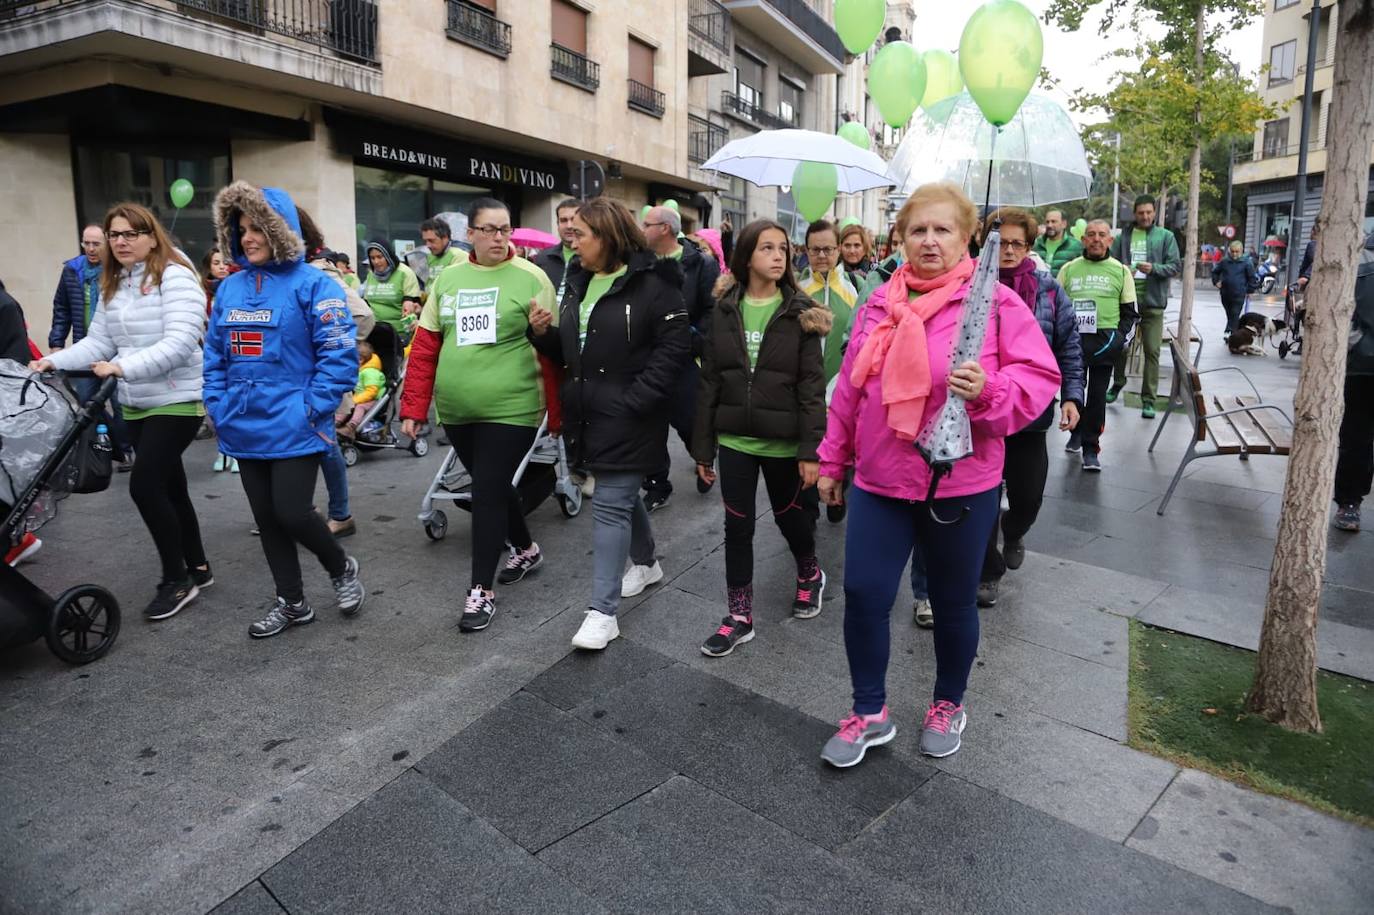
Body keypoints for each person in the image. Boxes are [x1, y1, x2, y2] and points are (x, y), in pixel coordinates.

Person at [816, 182, 1059, 767]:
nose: (929, 240)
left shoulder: (996, 304)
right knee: (864, 595)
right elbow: (851, 390)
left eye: (942, 229)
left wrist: (990, 391)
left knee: (953, 603)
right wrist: (832, 458)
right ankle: (869, 711)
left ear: (968, 236)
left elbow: (1039, 384)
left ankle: (948, 702)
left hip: (961, 484)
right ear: (899, 237)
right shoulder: (881, 304)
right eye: (917, 229)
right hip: (880, 479)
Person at [34, 203, 212, 620]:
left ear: (152, 237)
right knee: (171, 487)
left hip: (177, 398)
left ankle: (177, 580)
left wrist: (122, 366)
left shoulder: (175, 275)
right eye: (115, 235)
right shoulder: (114, 283)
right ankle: (198, 567)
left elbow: (183, 340)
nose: (121, 241)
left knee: (145, 486)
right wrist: (51, 360)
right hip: (135, 403)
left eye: (131, 233)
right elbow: (98, 341)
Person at [528, 197, 689, 651]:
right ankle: (647, 562)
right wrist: (542, 334)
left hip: (632, 415)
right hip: (587, 412)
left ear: (608, 235)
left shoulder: (657, 283)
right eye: (570, 232)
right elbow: (573, 353)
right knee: (615, 493)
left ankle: (603, 612)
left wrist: (635, 400)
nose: (570, 241)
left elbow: (673, 351)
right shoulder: (577, 281)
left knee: (610, 502)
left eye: (579, 233)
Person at [205, 181, 365, 638]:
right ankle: (292, 602)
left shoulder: (317, 284)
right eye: (241, 228)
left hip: (296, 424)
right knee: (267, 520)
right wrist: (217, 404)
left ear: (280, 230)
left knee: (292, 512)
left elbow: (338, 357)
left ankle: (340, 567)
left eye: (258, 227)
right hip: (243, 424)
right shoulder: (230, 289)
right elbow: (215, 355)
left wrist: (309, 409)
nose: (248, 237)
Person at [400, 198, 556, 632]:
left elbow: (555, 353)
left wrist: (541, 333)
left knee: (486, 490)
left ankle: (480, 592)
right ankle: (525, 550)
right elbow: (427, 346)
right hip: (457, 410)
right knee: (494, 484)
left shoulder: (532, 278)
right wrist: (413, 407)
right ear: (470, 233)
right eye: (488, 229)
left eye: (505, 229)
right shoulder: (448, 279)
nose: (498, 238)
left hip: (513, 407)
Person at [692, 219, 830, 657]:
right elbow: (710, 381)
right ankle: (739, 616)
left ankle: (809, 573)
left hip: (785, 443)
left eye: (783, 249)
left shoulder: (800, 312)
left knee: (792, 520)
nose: (777, 256)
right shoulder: (725, 309)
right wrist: (703, 448)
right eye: (767, 248)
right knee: (738, 527)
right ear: (746, 255)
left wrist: (811, 451)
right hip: (736, 441)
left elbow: (812, 388)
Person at [976, 208, 1084, 607]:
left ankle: (1015, 529)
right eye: (999, 242)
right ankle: (988, 572)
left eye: (1015, 243)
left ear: (1029, 246)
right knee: (981, 498)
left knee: (1028, 498)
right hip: (982, 415)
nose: (1006, 250)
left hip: (1029, 415)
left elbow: (1068, 346)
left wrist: (1073, 396)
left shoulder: (1049, 289)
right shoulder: (969, 284)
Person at [640, 204, 721, 508]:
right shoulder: (641, 263)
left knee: (688, 421)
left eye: (646, 224)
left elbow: (713, 311)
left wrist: (689, 337)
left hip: (684, 357)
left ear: (664, 228)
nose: (641, 229)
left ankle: (703, 455)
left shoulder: (700, 263)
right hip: (647, 359)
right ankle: (657, 484)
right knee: (650, 424)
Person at [1059, 220, 1138, 471]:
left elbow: (1131, 315)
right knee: (1073, 392)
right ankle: (1076, 432)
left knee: (1096, 398)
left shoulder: (1121, 271)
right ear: (1083, 240)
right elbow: (1055, 307)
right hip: (1073, 343)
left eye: (1102, 235)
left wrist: (1118, 341)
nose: (1096, 239)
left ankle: (1091, 448)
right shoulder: (1069, 269)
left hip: (1105, 344)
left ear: (1109, 240)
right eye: (1091, 235)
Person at [1108, 195, 1180, 418]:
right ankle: (1117, 383)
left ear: (1155, 212)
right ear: (1135, 213)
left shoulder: (1165, 236)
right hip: (1127, 303)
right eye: (1141, 213)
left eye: (1149, 212)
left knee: (1152, 351)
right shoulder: (1123, 237)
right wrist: (1122, 269)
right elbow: (1110, 263)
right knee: (1121, 347)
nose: (1145, 216)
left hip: (1153, 305)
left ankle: (1148, 399)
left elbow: (1175, 266)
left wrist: (1155, 268)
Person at [1333, 230, 1374, 532]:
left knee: (1356, 437)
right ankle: (1349, 501)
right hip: (1362, 362)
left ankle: (1349, 503)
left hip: (1360, 364)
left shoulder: (1357, 259)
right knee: (1357, 437)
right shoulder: (1362, 262)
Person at [798, 220, 859, 389]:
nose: (822, 256)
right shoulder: (796, 287)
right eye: (815, 250)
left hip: (843, 390)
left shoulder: (857, 286)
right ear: (807, 251)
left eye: (828, 249)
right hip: (803, 392)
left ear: (838, 249)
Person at [360, 241, 421, 334]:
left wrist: (410, 304)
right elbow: (366, 302)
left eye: (380, 257)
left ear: (388, 256)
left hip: (400, 333)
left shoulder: (405, 273)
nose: (376, 262)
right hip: (375, 330)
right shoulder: (371, 275)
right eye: (372, 258)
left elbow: (413, 301)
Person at [532, 198, 582, 303]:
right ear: (557, 224)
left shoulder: (593, 258)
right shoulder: (543, 258)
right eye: (563, 220)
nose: (569, 226)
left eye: (573, 220)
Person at [337, 340, 384, 436]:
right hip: (360, 395)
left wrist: (356, 400)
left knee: (360, 406)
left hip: (372, 399)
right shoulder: (360, 368)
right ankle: (336, 422)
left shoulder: (370, 372)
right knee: (346, 400)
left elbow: (371, 392)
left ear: (360, 360)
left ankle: (351, 427)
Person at [1211, 240, 1259, 335]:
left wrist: (1250, 291)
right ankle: (1233, 331)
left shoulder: (1247, 263)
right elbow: (1215, 271)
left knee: (1235, 313)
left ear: (1241, 251)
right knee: (1230, 314)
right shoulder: (1225, 261)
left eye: (1237, 251)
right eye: (1232, 251)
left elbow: (1252, 278)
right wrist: (1216, 282)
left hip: (1239, 294)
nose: (1234, 254)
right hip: (1225, 293)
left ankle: (1231, 333)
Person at [1032, 209, 1083, 274]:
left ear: (1064, 224)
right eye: (1047, 222)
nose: (1049, 225)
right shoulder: (1036, 245)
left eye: (1053, 222)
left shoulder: (1076, 246)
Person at [838, 222, 874, 287]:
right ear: (840, 247)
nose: (852, 251)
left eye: (857, 245)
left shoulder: (875, 273)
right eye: (847, 245)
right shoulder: (833, 273)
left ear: (865, 248)